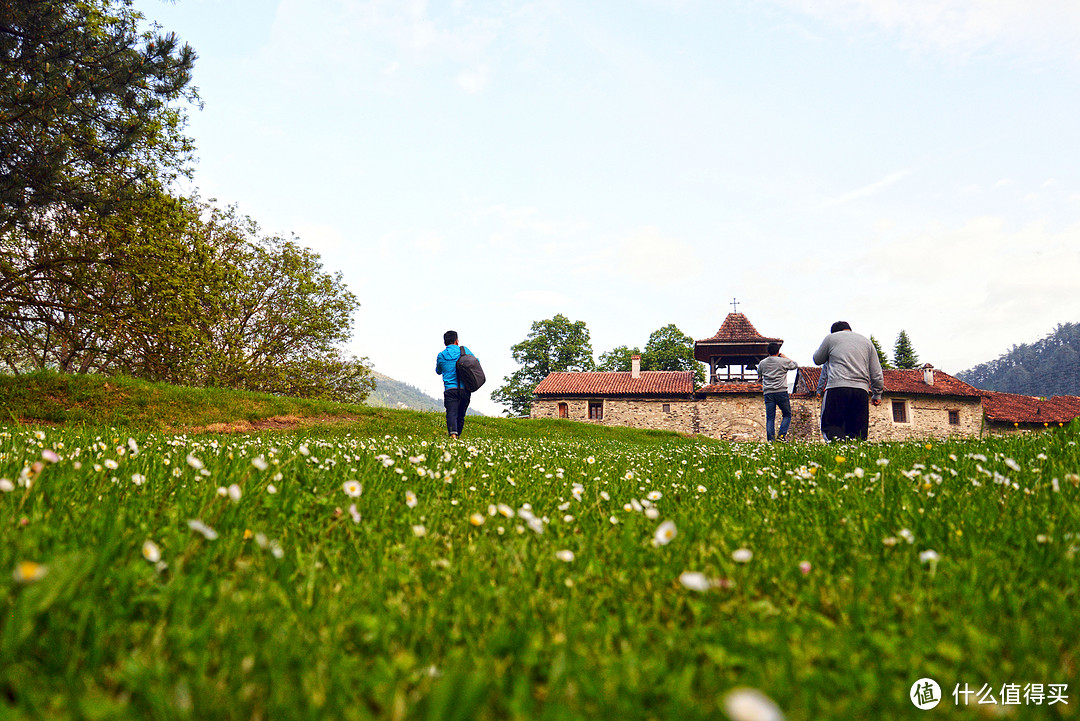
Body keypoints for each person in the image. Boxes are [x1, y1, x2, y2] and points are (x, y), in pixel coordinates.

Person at [812, 321, 884, 441]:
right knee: (857, 432)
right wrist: (877, 394)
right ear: (849, 329)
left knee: (831, 425)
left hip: (837, 387)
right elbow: (876, 371)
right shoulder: (866, 342)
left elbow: (818, 359)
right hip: (861, 390)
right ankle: (855, 456)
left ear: (834, 331)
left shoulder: (831, 338)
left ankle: (840, 451)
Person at [756, 342, 798, 441]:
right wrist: (785, 357)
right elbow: (795, 365)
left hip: (768, 393)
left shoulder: (763, 363)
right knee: (787, 414)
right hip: (781, 391)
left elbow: (759, 373)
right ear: (778, 351)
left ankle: (771, 440)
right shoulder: (783, 361)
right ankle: (781, 436)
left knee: (770, 417)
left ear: (768, 352)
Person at [436, 330, 471, 439]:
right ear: (457, 341)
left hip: (450, 389)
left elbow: (438, 370)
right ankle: (457, 436)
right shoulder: (464, 350)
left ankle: (453, 435)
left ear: (445, 342)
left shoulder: (441, 355)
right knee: (461, 415)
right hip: (465, 388)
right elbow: (476, 362)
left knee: (451, 413)